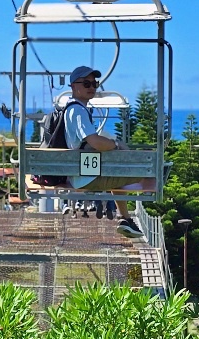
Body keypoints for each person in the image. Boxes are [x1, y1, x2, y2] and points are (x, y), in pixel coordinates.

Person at [63, 65, 146, 239]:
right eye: (86, 83)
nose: (92, 87)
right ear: (73, 86)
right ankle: (125, 217)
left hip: (82, 173)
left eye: (95, 83)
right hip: (86, 178)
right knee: (145, 174)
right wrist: (116, 145)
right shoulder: (77, 110)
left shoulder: (74, 109)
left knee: (117, 172)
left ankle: (125, 218)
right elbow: (94, 141)